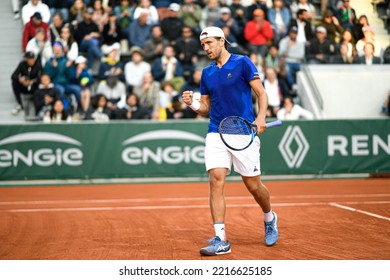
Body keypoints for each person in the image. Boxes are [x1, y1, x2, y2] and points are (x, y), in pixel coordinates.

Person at [181, 26, 279, 256]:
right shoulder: (207, 73)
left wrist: (261, 116)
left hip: (244, 131)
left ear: (222, 41)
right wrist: (193, 103)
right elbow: (205, 108)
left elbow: (261, 93)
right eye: (203, 45)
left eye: (209, 43)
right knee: (216, 180)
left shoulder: (243, 62)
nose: (206, 48)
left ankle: (269, 217)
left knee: (253, 186)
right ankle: (220, 238)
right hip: (216, 131)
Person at [11, 51, 42, 115]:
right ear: (26, 59)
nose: (31, 60)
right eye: (29, 59)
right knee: (14, 83)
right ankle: (20, 104)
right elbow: (13, 75)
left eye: (32, 58)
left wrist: (32, 81)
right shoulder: (22, 64)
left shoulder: (38, 65)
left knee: (40, 85)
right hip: (24, 85)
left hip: (33, 86)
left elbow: (41, 77)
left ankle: (37, 106)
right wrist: (21, 79)